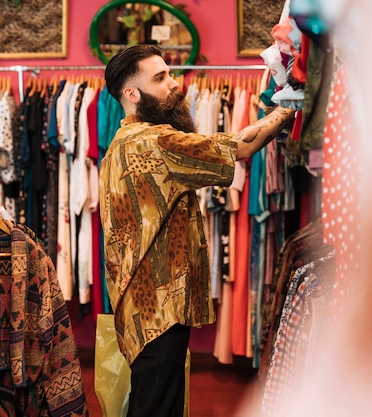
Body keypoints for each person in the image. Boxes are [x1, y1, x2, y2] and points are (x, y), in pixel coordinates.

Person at [99, 44, 294, 417]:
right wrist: (288, 109)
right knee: (156, 407)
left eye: (169, 73)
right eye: (160, 78)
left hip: (142, 308)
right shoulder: (151, 142)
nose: (174, 84)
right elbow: (241, 145)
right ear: (131, 94)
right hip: (157, 309)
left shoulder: (122, 144)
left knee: (153, 402)